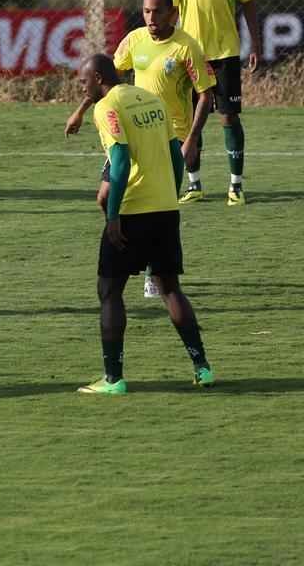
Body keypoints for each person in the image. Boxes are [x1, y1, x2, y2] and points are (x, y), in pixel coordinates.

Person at [76, 54, 215, 395]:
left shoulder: (106, 106)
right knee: (170, 288)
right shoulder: (151, 99)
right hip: (166, 207)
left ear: (96, 78)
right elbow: (173, 154)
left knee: (109, 291)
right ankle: (203, 368)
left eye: (82, 82)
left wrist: (112, 216)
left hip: (133, 211)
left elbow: (120, 162)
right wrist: (172, 191)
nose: (81, 88)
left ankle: (113, 379)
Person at [64, 0, 216, 298]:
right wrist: (80, 111)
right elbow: (104, 79)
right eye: (146, 11)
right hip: (129, 130)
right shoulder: (134, 40)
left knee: (157, 205)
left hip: (169, 137)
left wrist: (191, 139)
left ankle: (153, 270)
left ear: (171, 13)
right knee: (105, 197)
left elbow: (206, 95)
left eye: (158, 11)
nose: (151, 17)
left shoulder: (186, 47)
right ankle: (132, 250)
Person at [164, 0, 260, 206]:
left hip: (225, 53)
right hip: (189, 55)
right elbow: (170, 9)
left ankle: (236, 185)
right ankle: (194, 184)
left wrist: (255, 44)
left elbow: (250, 4)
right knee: (188, 119)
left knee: (228, 117)